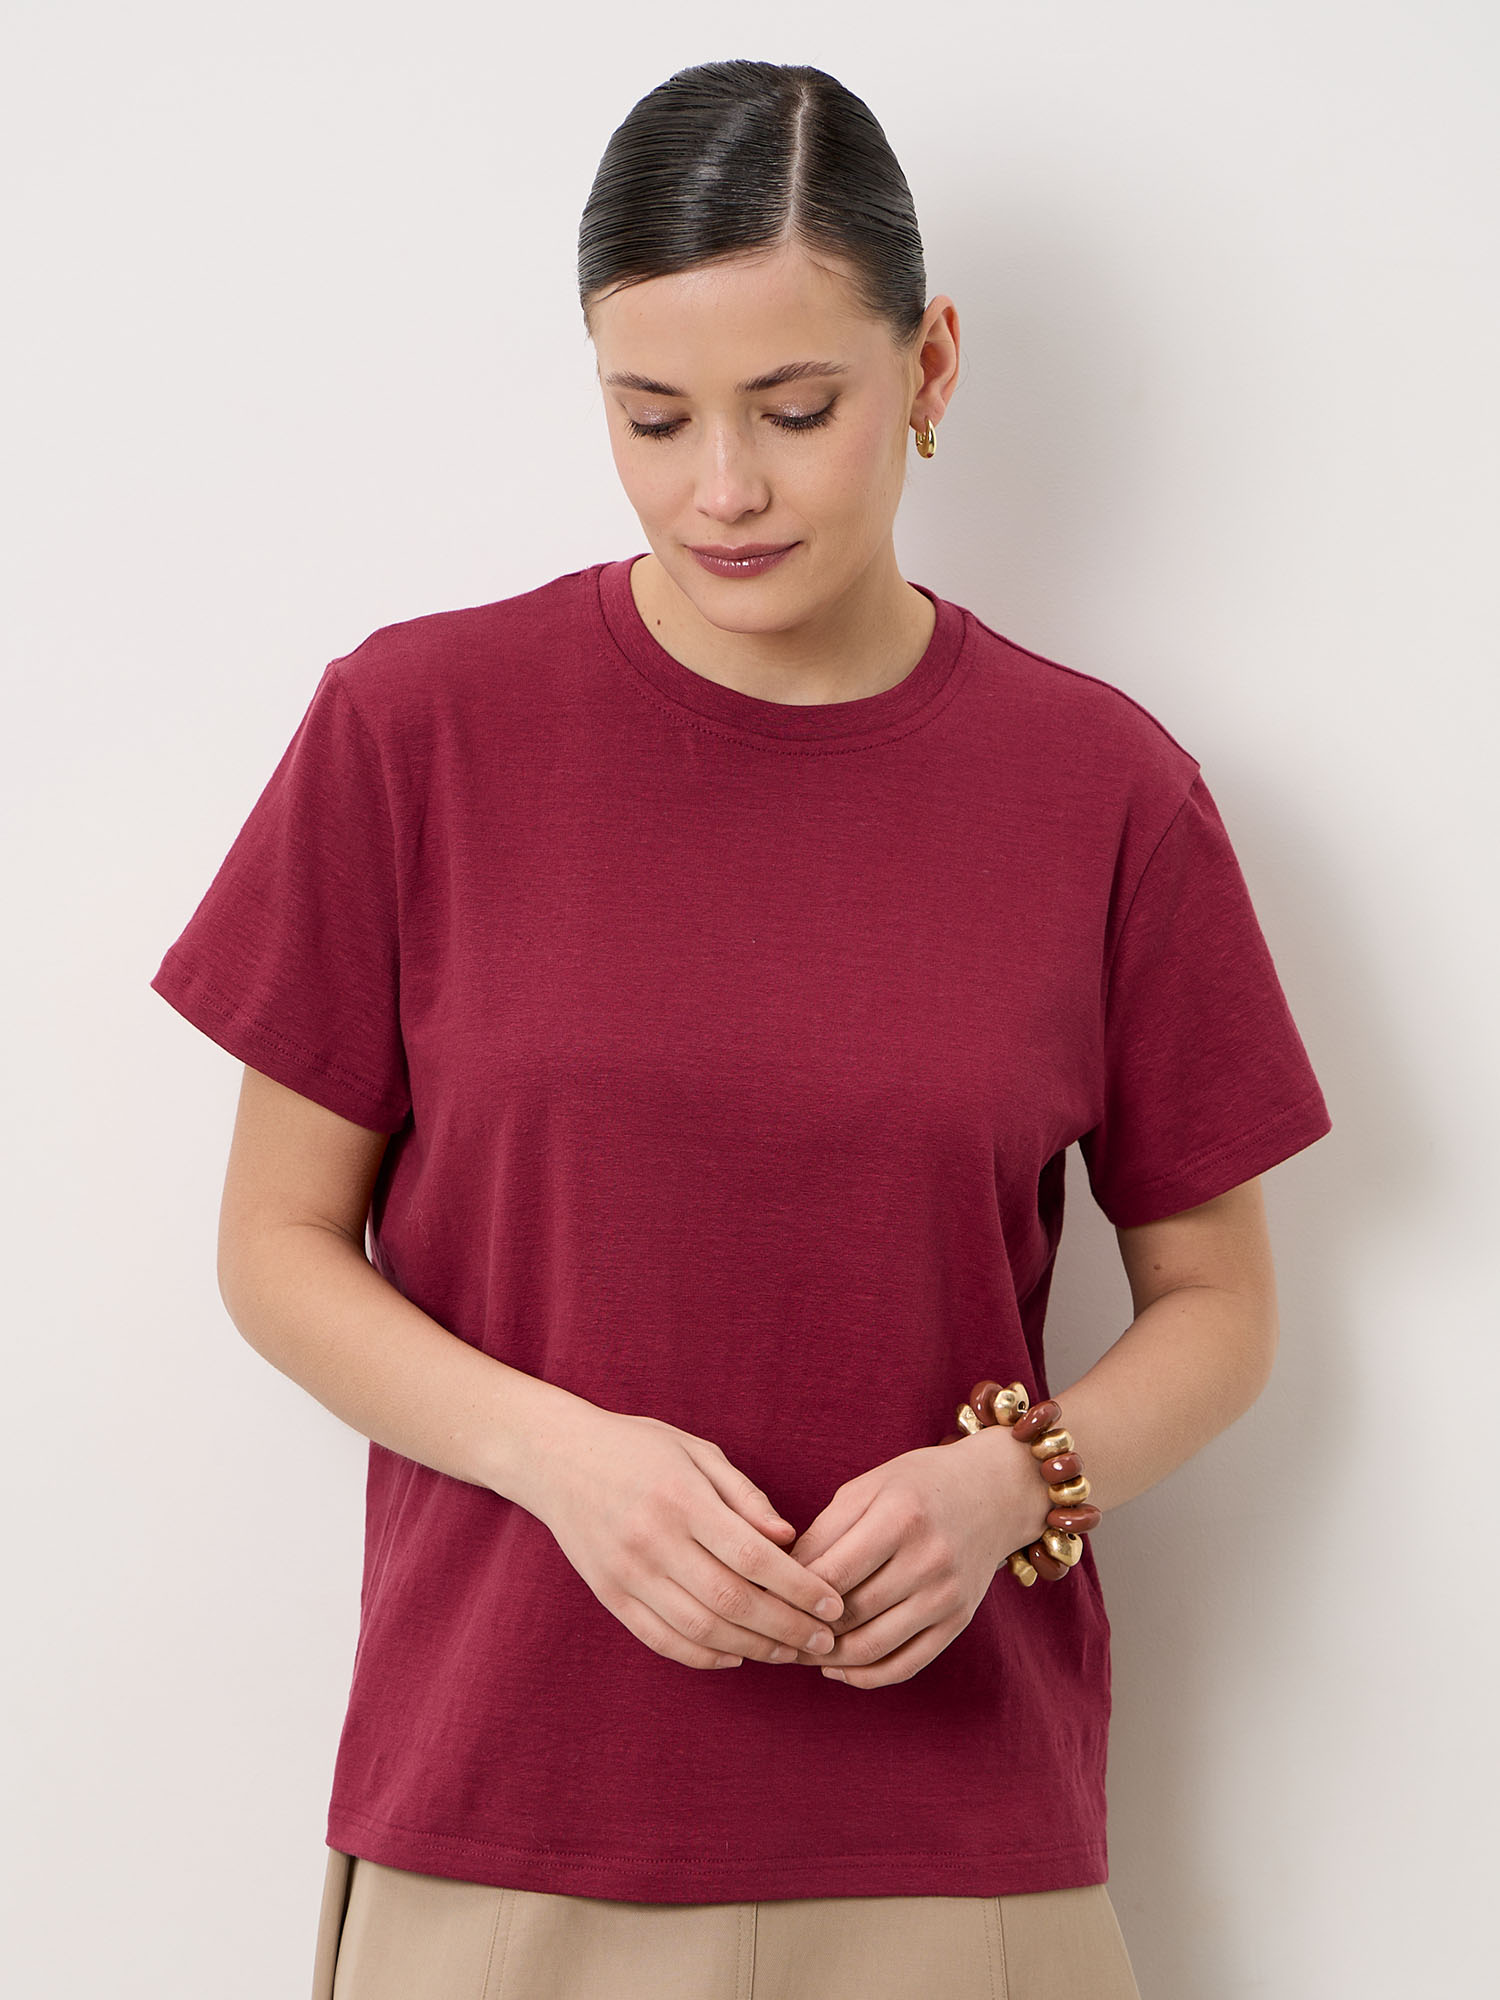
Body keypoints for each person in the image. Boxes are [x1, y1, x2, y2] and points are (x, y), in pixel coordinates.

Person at [149, 58, 1331, 2000]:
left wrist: (1016, 1482)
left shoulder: (1105, 791)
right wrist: (558, 1457)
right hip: (508, 1820)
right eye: (652, 415)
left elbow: (1223, 1305)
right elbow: (273, 1245)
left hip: (953, 1852)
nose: (724, 488)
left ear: (929, 367)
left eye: (796, 410)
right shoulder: (413, 732)